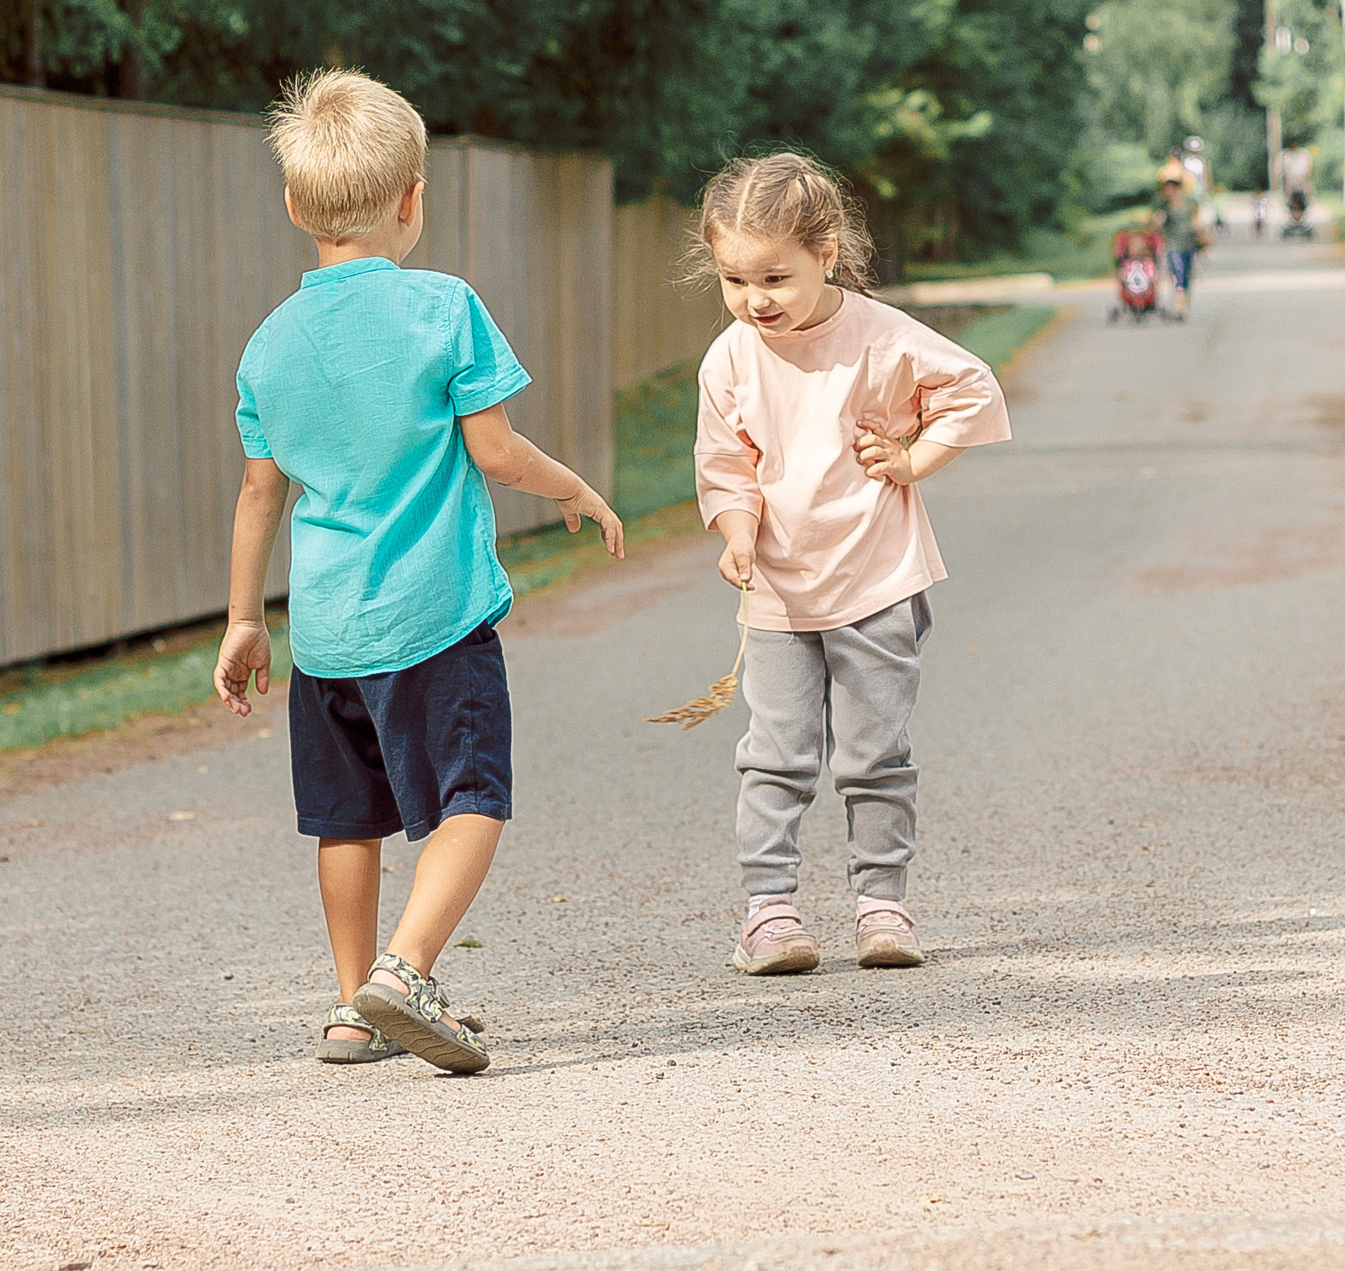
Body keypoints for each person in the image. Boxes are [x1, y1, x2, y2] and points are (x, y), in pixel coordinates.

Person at [213, 68, 624, 1073]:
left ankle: (353, 1008)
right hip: (435, 617)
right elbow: (495, 450)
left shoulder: (269, 347)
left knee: (346, 821)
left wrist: (242, 621)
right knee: (473, 796)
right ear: (411, 199)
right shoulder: (444, 308)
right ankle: (407, 969)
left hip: (328, 632)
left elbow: (260, 495)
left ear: (295, 206)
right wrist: (574, 488)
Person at [691, 153, 1011, 976]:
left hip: (876, 579)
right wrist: (735, 531)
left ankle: (882, 906)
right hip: (780, 594)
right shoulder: (729, 360)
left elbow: (971, 388)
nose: (755, 299)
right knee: (777, 753)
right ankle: (769, 911)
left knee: (874, 754)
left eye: (774, 277)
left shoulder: (879, 336)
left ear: (826, 253)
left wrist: (914, 456)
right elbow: (726, 464)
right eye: (734, 279)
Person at [1157, 174, 1209, 317]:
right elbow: (1157, 224)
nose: (1167, 192)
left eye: (1170, 188)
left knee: (1185, 275)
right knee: (1177, 274)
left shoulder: (1189, 202)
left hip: (1188, 243)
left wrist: (1200, 232)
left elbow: (1196, 219)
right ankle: (1179, 307)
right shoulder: (1164, 205)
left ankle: (1183, 304)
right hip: (1173, 245)